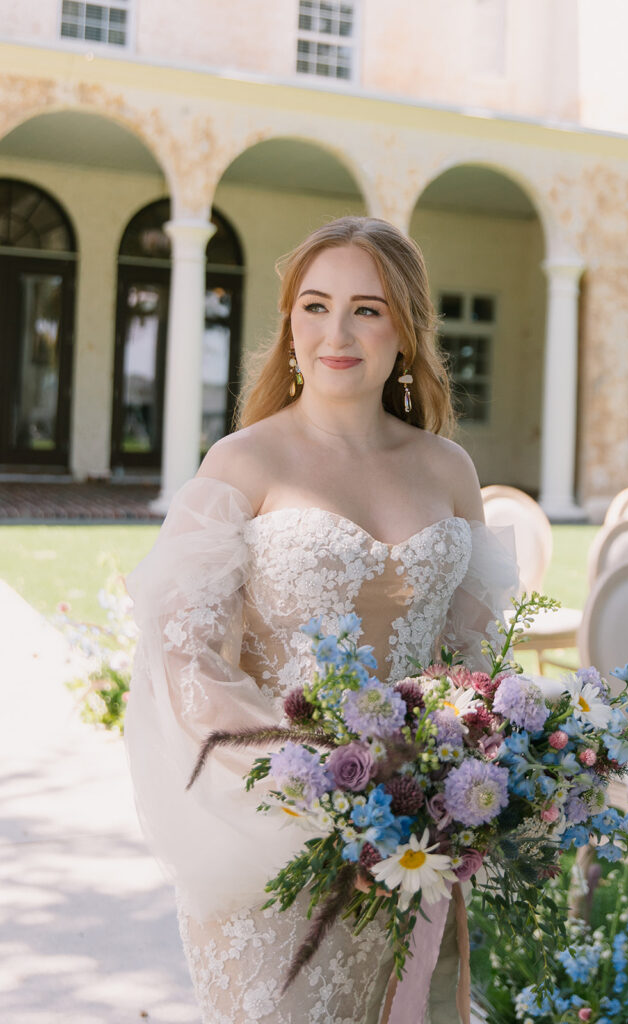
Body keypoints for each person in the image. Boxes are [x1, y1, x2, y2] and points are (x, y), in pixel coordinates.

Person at [124, 216, 518, 1023]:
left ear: (404, 331)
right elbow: (183, 656)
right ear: (288, 322)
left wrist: (461, 768)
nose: (336, 332)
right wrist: (308, 781)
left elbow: (472, 654)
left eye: (367, 310)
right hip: (271, 826)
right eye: (314, 305)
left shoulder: (449, 469)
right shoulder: (243, 461)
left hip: (415, 832)